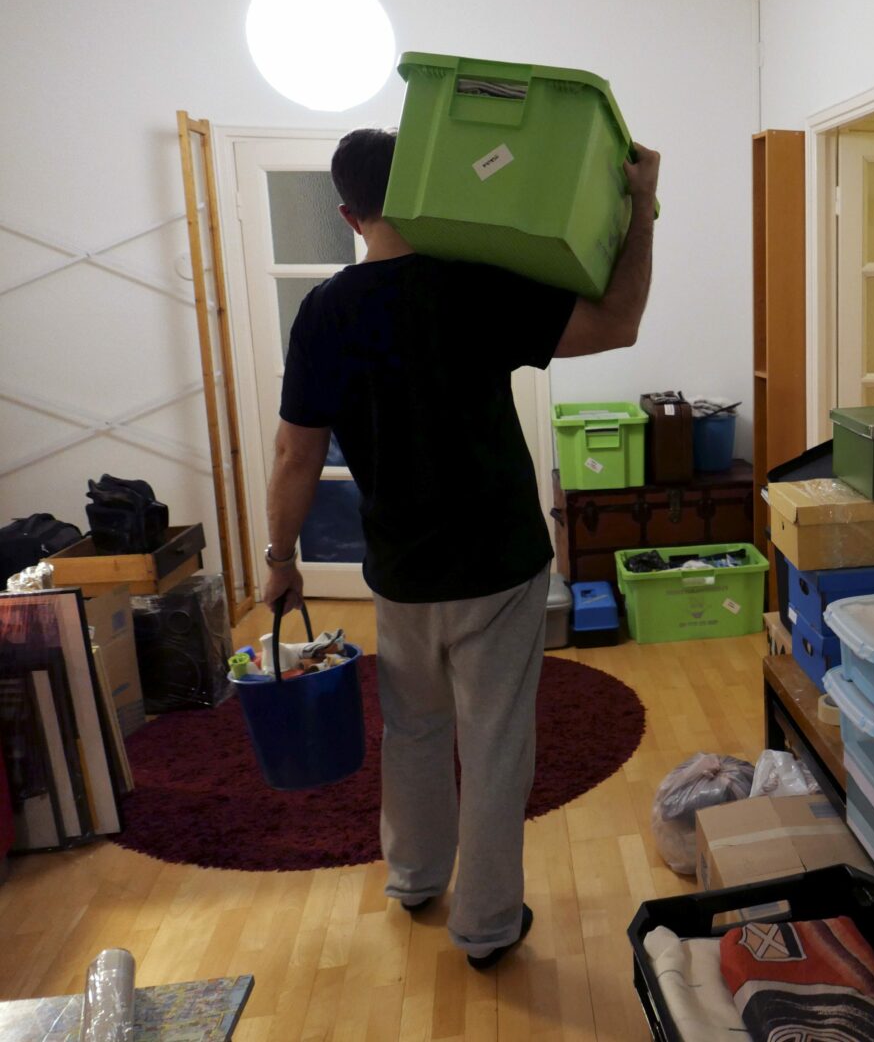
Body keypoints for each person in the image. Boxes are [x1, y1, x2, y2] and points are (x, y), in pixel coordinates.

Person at [261, 127, 658, 968]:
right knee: (494, 741)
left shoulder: (324, 311)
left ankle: (413, 878)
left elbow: (296, 453)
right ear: (425, 189)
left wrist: (279, 558)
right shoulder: (477, 284)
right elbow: (619, 322)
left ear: (348, 214)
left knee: (412, 728)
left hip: (401, 569)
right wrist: (642, 203)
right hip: (499, 561)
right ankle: (484, 926)